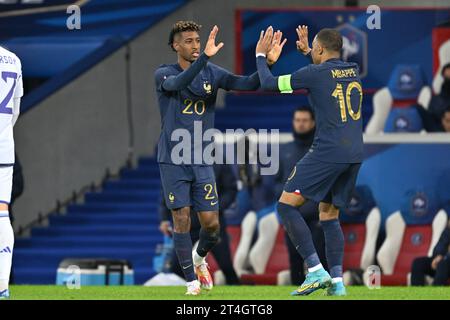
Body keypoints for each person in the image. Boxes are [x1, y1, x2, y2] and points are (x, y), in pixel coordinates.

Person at [154, 21, 281, 295]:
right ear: (175, 45)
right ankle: (191, 282)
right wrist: (204, 59)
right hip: (173, 158)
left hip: (202, 158)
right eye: (188, 41)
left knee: (212, 226)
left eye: (197, 40)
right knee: (182, 220)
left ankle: (199, 260)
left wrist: (264, 62)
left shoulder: (211, 73)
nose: (195, 45)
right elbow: (179, 83)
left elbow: (247, 84)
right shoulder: (163, 74)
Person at [255, 25, 363, 296]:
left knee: (286, 206)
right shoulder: (352, 71)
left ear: (319, 49)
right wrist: (308, 55)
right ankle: (337, 283)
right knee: (329, 215)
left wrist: (260, 56)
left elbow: (269, 84)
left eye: (313, 48)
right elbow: (326, 80)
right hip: (354, 154)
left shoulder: (314, 73)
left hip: (328, 151)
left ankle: (315, 269)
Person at [159, 163, 240, 285]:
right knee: (177, 268)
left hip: (211, 222)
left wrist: (215, 207)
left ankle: (238, 296)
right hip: (187, 222)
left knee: (226, 266)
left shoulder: (219, 161)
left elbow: (231, 189)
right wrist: (164, 219)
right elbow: (168, 190)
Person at [275, 106, 327, 285]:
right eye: (298, 120)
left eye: (305, 120)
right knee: (295, 264)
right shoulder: (284, 150)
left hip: (317, 219)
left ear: (313, 123)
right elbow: (277, 182)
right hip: (293, 218)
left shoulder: (322, 150)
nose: (301, 124)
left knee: (321, 262)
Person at [0, 46, 23, 299]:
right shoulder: (12, 59)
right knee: (1, 213)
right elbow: (15, 112)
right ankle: (2, 286)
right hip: (4, 148)